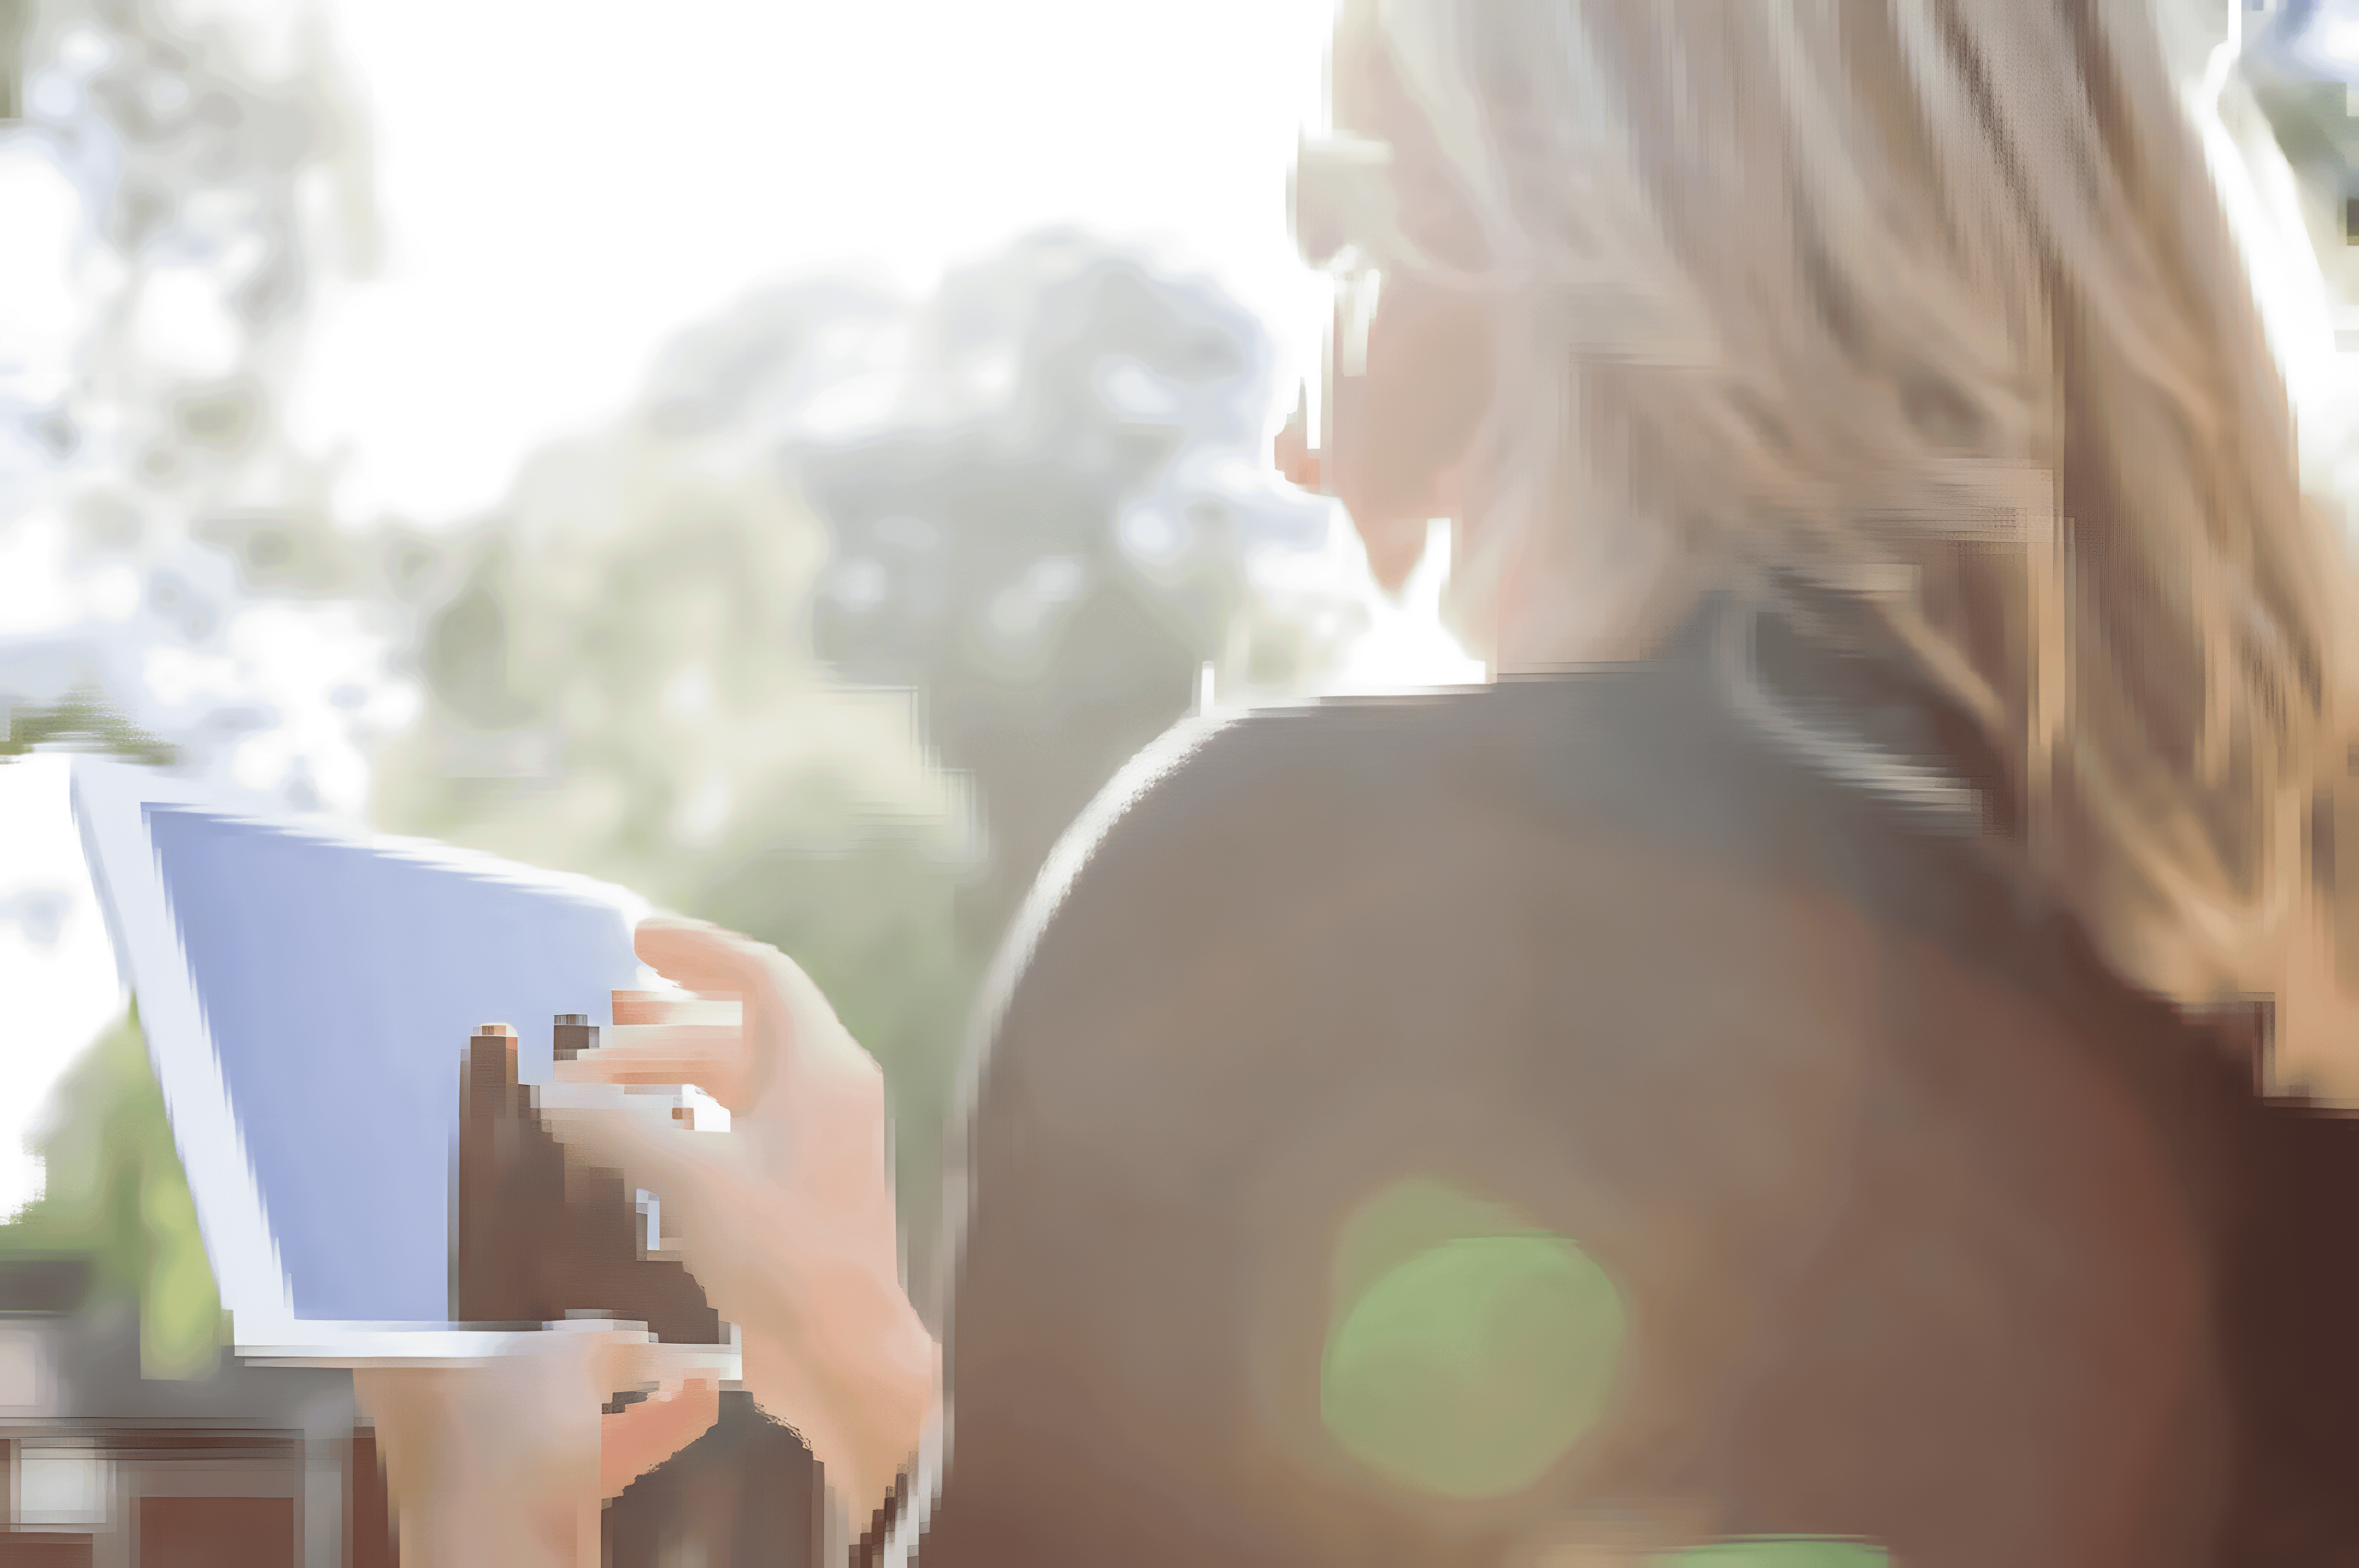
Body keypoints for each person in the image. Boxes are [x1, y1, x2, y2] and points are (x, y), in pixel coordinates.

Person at [360, 2, 2359, 1564]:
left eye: (1356, 246)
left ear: (1621, 234)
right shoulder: (2276, 981)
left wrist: (487, 1530)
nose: (1307, 449)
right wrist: (903, 1395)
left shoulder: (1321, 901)